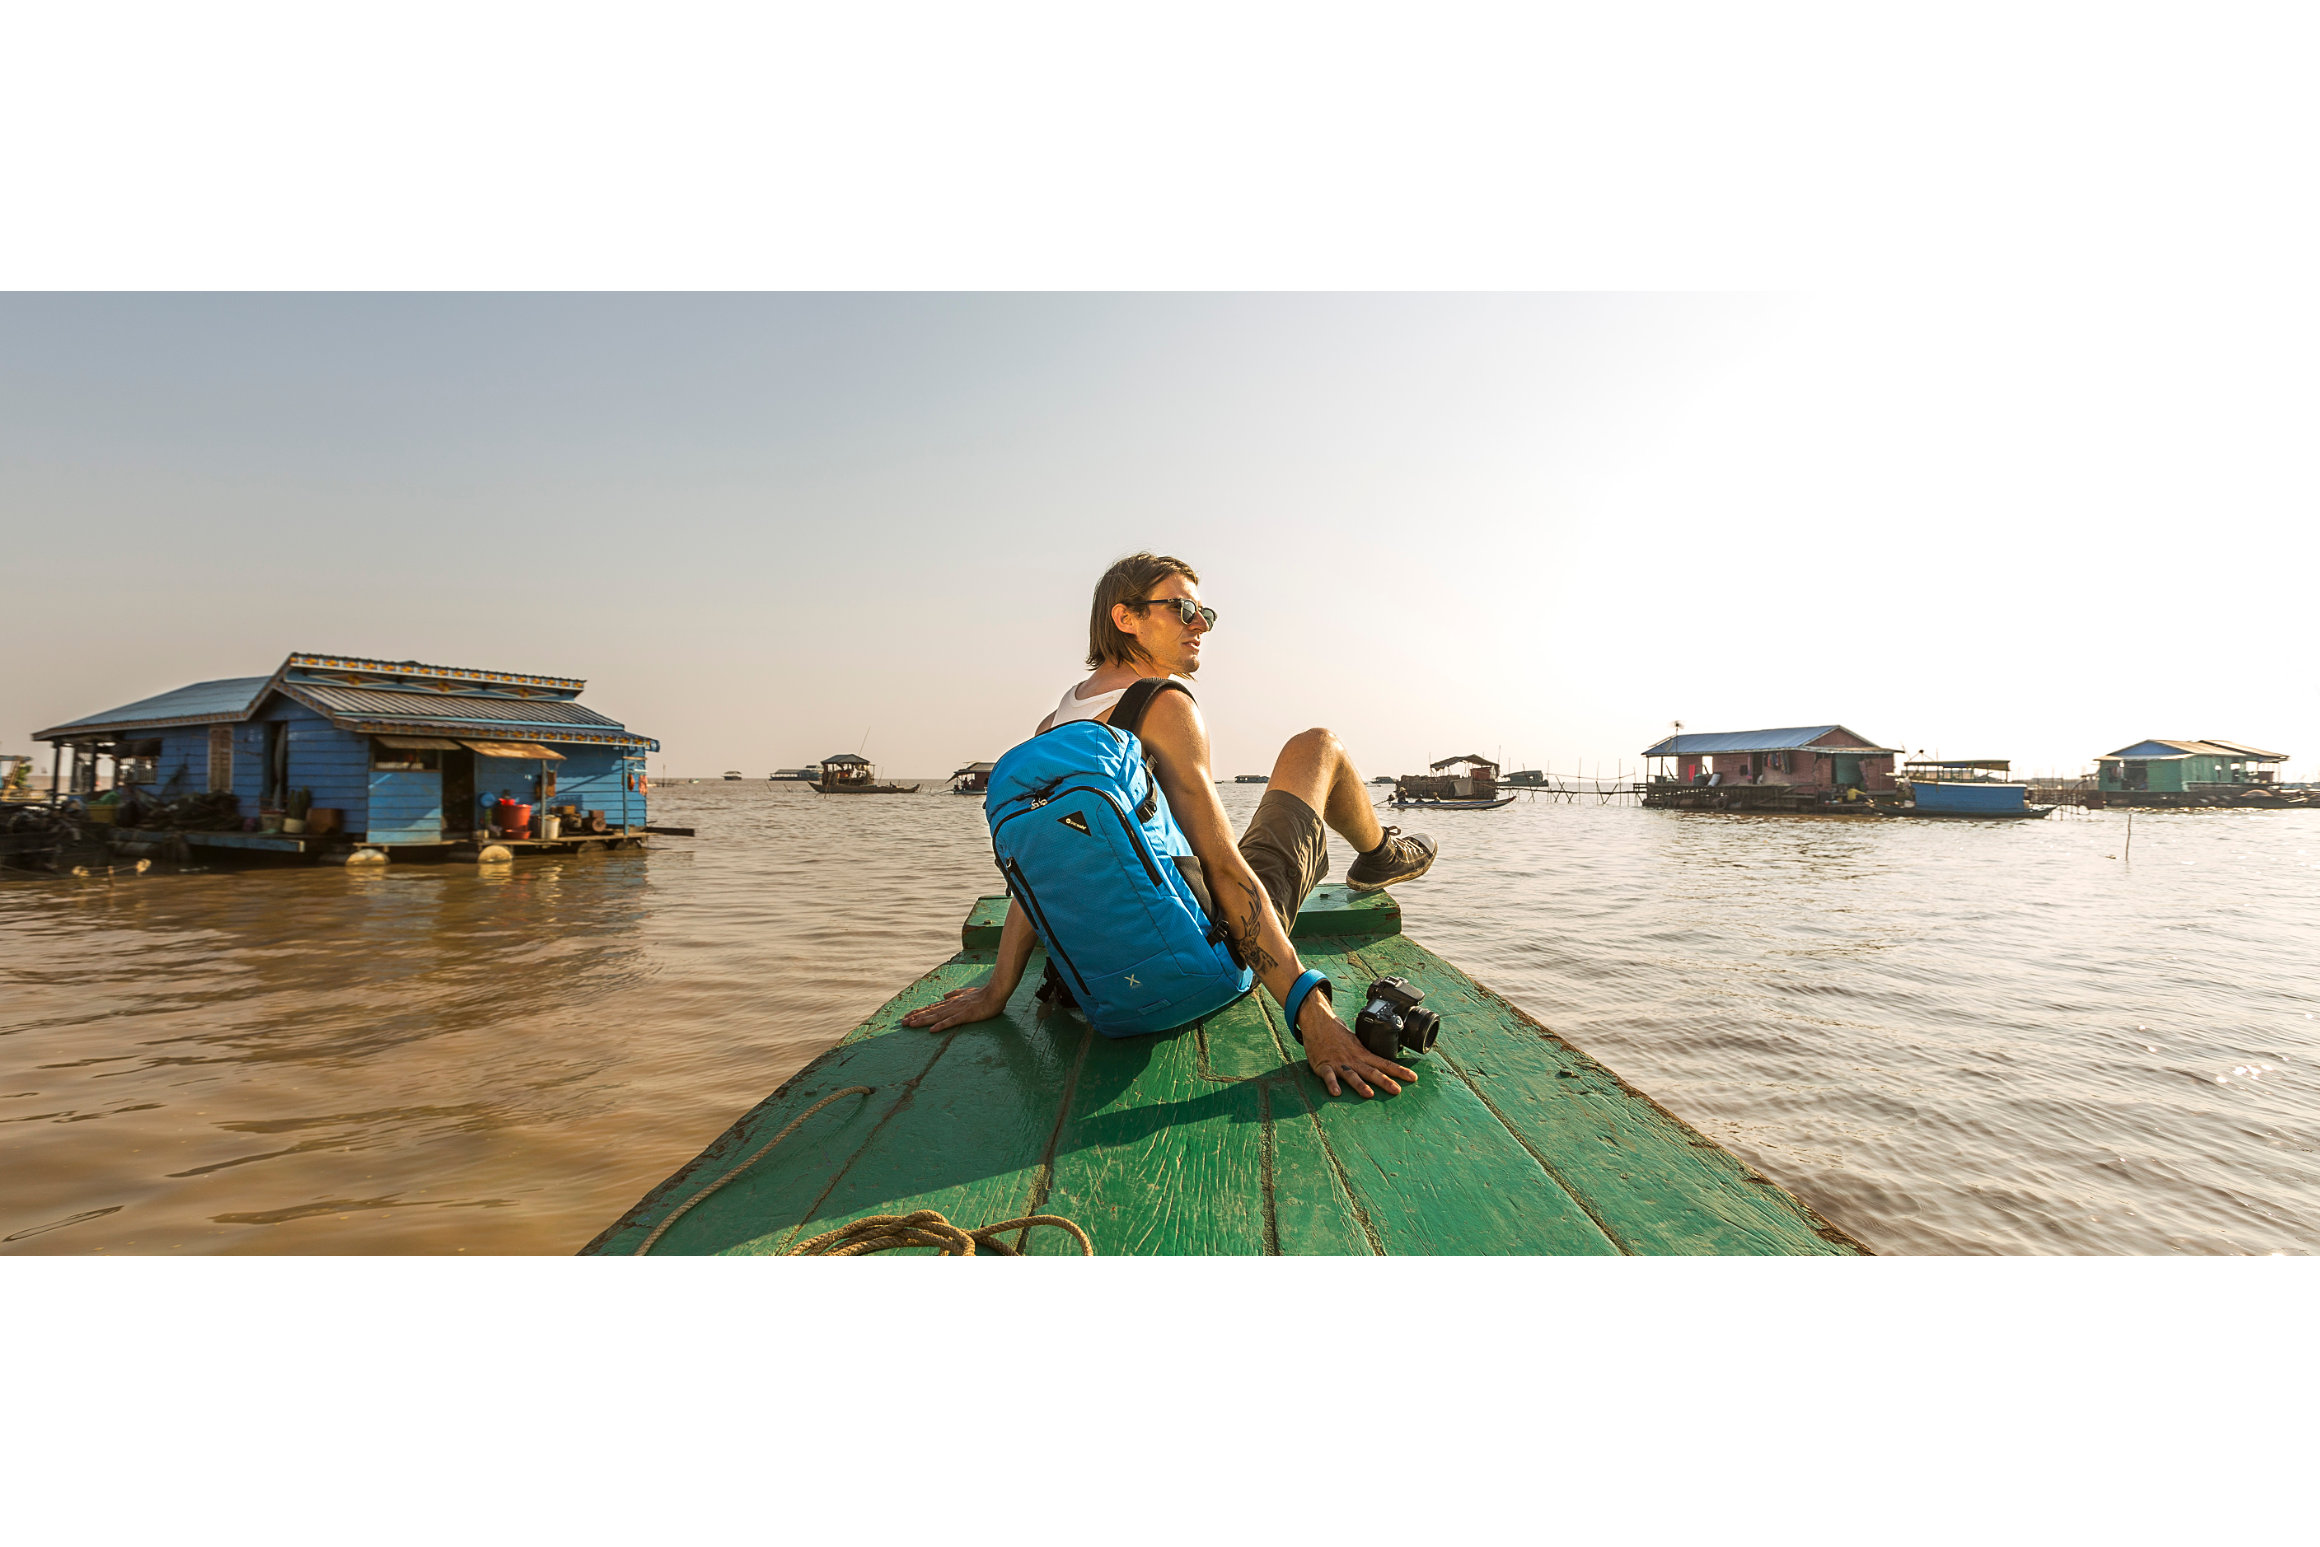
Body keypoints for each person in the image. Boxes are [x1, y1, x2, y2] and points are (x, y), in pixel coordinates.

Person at [901, 552, 1439, 1097]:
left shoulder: (1050, 729)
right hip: (1209, 964)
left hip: (1095, 998)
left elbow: (1038, 875)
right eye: (1182, 609)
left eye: (1205, 613)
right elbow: (1225, 870)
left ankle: (1379, 854)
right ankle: (1379, 855)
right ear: (1125, 618)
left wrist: (998, 989)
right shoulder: (1163, 704)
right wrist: (1313, 1016)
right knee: (1317, 747)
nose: (1200, 625)